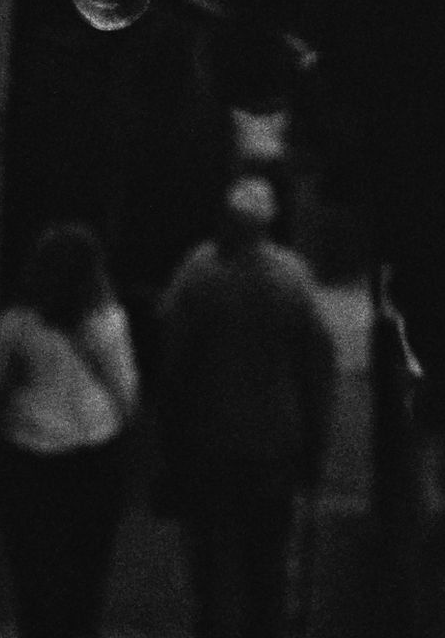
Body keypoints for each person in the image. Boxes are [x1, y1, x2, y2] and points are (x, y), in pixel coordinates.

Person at [157, 176, 338, 638]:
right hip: (275, 441)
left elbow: (172, 357)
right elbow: (319, 366)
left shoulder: (199, 271)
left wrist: (169, 436)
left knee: (212, 563)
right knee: (269, 563)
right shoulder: (292, 277)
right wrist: (317, 442)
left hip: (210, 439)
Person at [0, 220, 139, 638]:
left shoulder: (15, 325)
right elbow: (127, 394)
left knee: (33, 567)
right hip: (96, 455)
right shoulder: (109, 323)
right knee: (87, 568)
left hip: (29, 456)